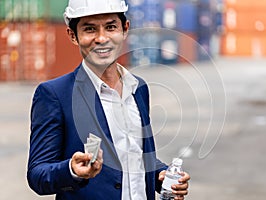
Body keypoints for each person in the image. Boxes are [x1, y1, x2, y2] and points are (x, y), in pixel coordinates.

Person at [27, 0, 190, 199]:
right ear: (73, 35)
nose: (102, 38)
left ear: (125, 29)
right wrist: (71, 170)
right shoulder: (54, 94)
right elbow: (37, 174)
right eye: (89, 29)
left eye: (111, 27)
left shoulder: (138, 88)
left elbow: (134, 153)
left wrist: (160, 176)